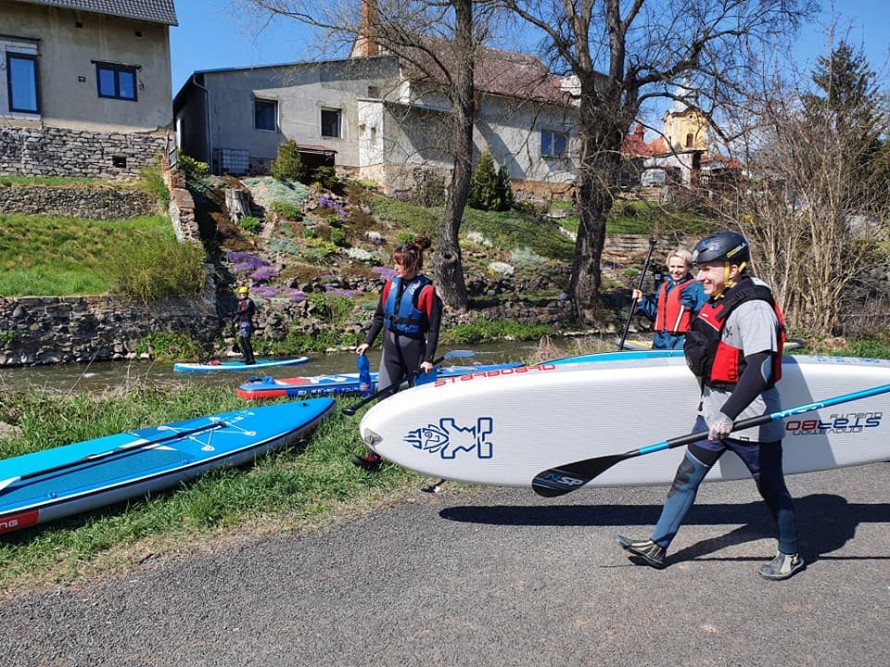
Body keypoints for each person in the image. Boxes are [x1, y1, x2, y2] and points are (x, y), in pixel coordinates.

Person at [616, 231, 804, 581]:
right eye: (698, 268)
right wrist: (716, 414)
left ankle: (791, 553)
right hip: (712, 413)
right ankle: (658, 544)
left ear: (734, 267)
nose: (699, 276)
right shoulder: (722, 296)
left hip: (751, 420)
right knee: (686, 476)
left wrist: (728, 415)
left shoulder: (754, 308)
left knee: (772, 489)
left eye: (708, 269)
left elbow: (761, 369)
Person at [352, 237, 443, 472]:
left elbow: (433, 328)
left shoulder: (427, 291)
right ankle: (376, 455)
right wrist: (367, 342)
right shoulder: (390, 285)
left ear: (412, 265)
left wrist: (428, 359)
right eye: (394, 263)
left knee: (418, 403)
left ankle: (424, 452)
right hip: (390, 348)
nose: (395, 268)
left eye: (399, 264)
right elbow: (380, 317)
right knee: (384, 398)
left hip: (415, 351)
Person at [632, 248, 707, 350]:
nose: (675, 271)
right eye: (672, 266)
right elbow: (657, 315)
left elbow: (703, 317)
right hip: (661, 339)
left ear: (688, 267)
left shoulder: (697, 288)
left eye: (680, 267)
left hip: (682, 340)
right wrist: (641, 300)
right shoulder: (664, 287)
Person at [232, 286, 256, 365]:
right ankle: (246, 358)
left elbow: (245, 310)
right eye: (241, 294)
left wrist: (235, 313)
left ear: (247, 294)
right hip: (242, 323)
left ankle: (252, 359)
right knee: (242, 341)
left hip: (247, 323)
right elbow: (239, 312)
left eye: (244, 293)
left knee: (246, 341)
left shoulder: (249, 301)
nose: (243, 295)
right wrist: (234, 320)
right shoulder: (240, 302)